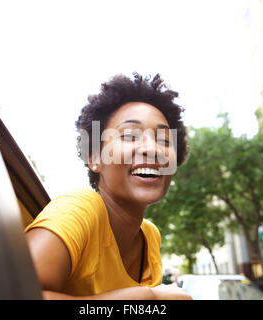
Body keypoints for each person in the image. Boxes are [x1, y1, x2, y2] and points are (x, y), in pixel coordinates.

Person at [25, 73, 192, 299]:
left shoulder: (150, 236)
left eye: (163, 140)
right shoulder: (80, 208)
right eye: (131, 136)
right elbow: (7, 291)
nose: (152, 149)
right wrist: (148, 299)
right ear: (94, 156)